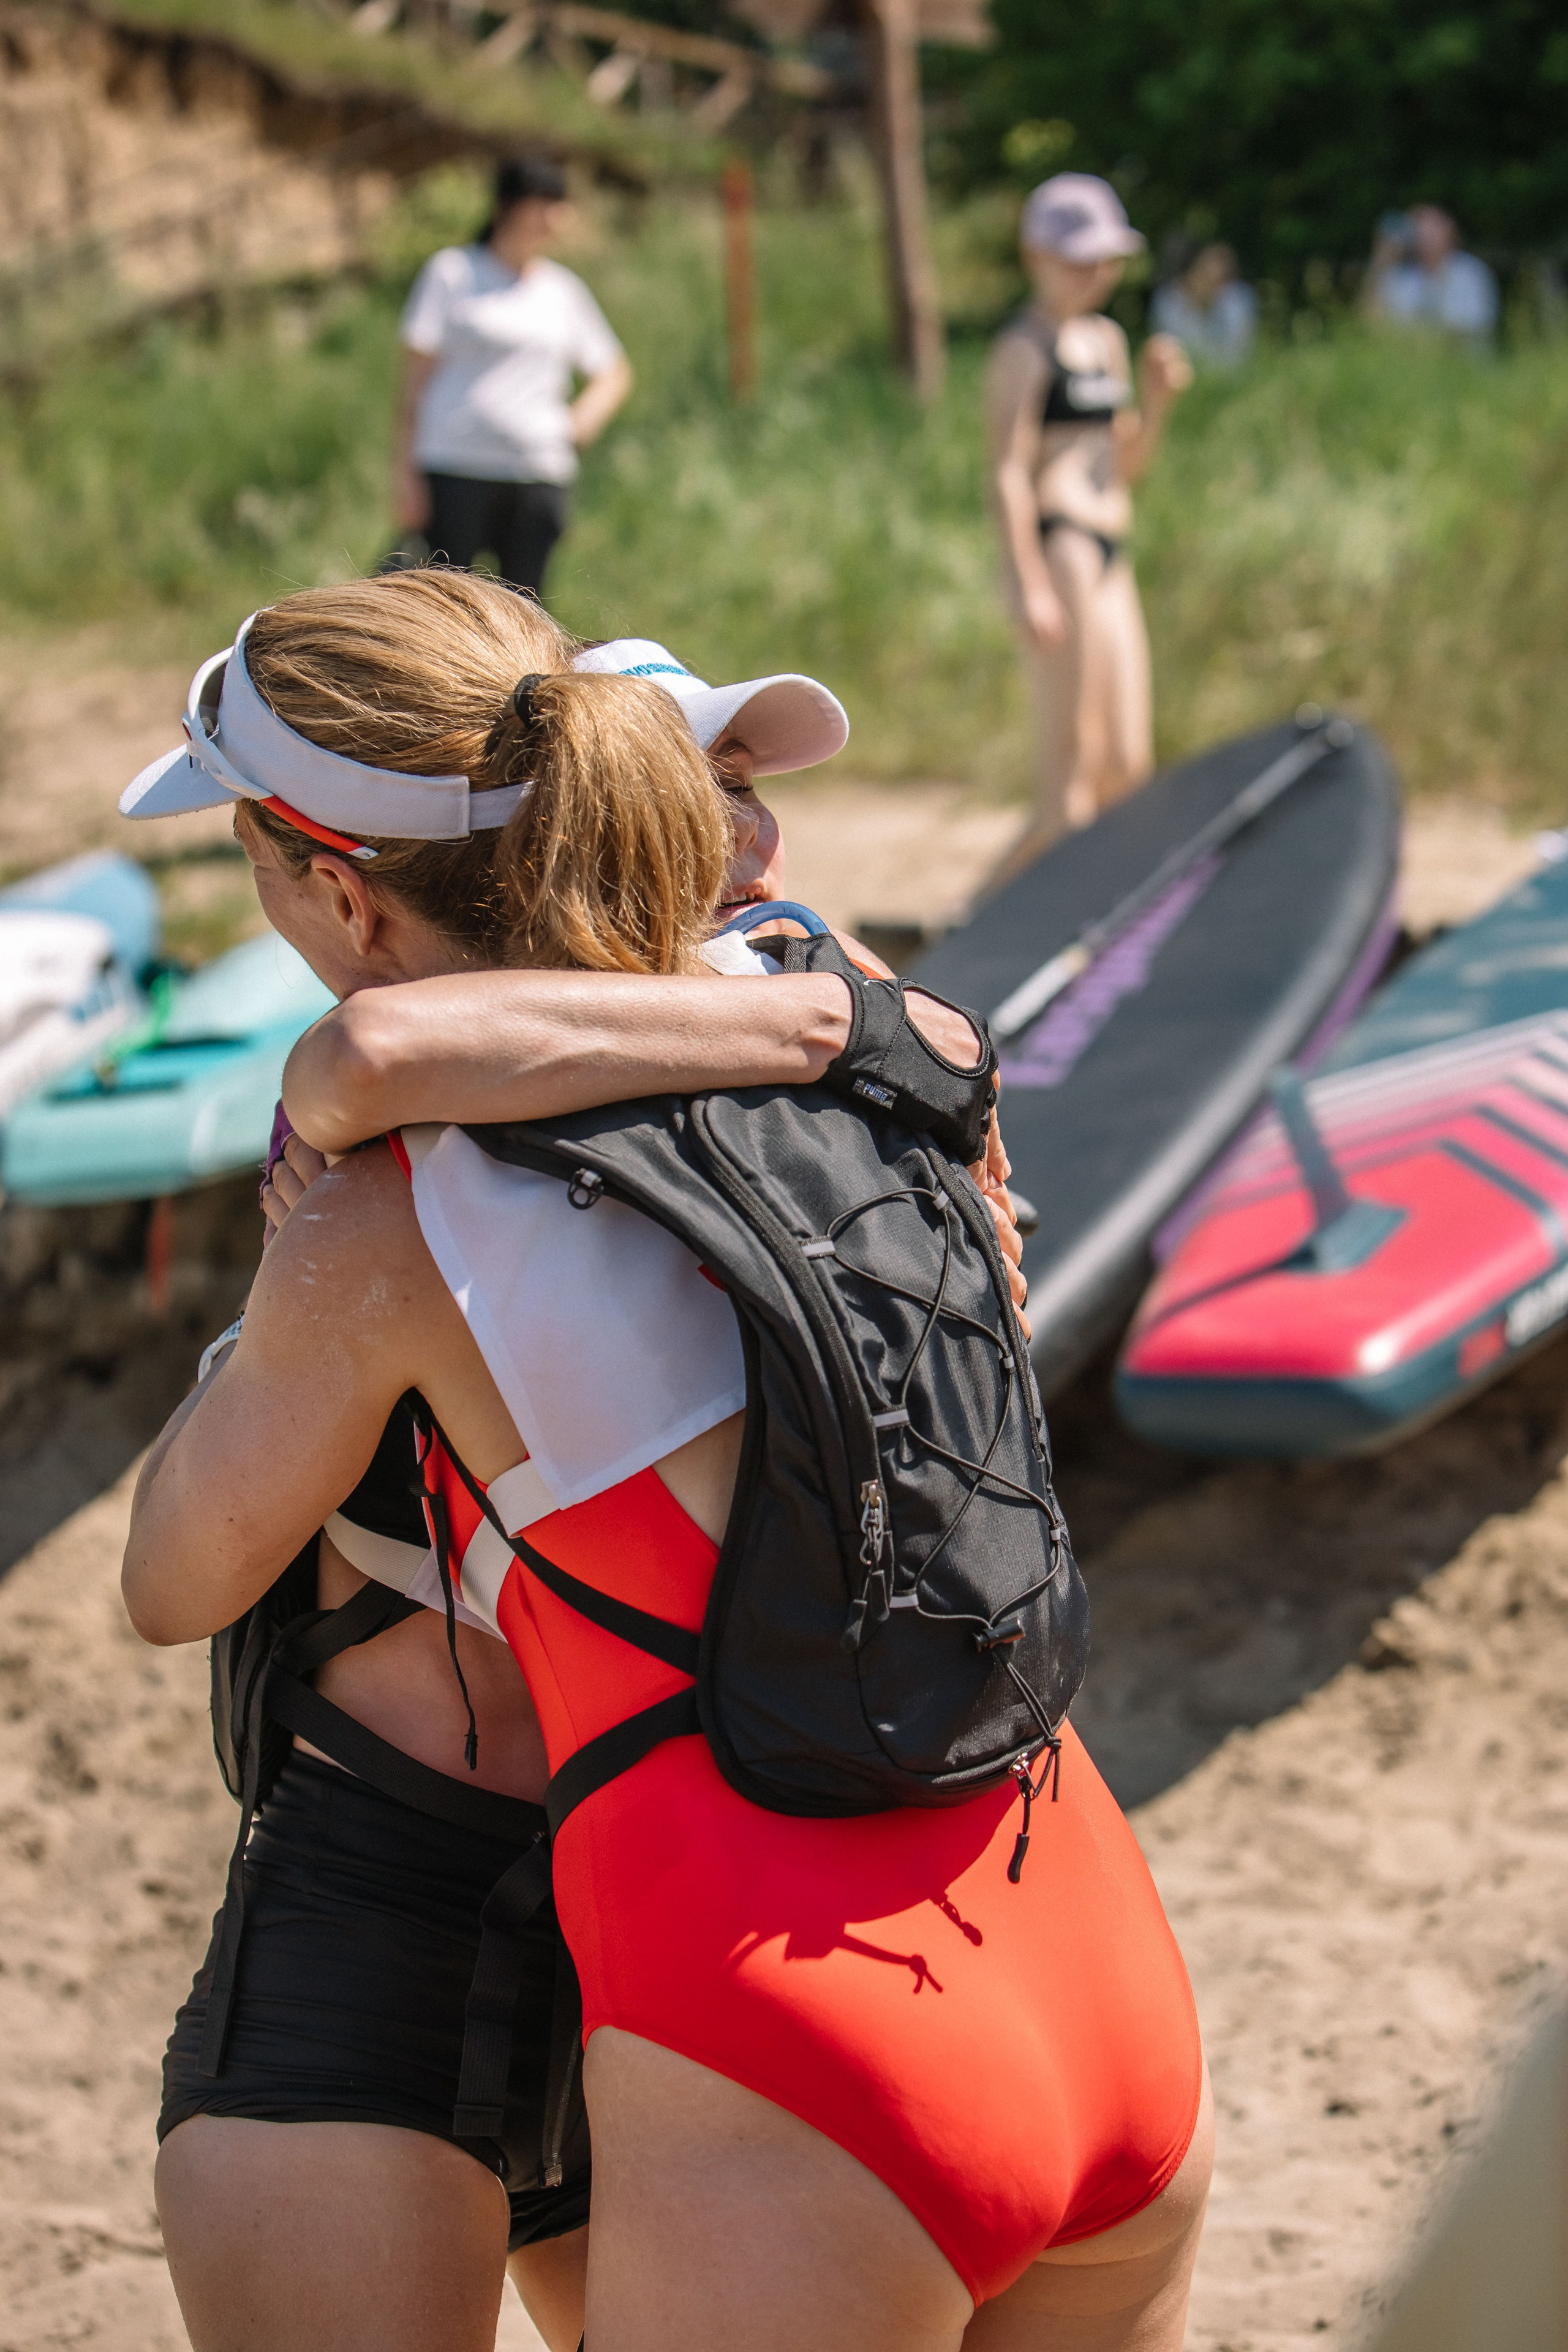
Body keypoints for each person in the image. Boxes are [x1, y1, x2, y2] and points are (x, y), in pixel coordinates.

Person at [123, 570, 1212, 2352]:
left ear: (337, 888)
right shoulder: (846, 1012)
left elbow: (172, 1575)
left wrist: (278, 1297)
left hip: (798, 2025)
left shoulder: (397, 1219)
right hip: (1077, 1931)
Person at [988, 173, 1193, 853]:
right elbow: (1010, 471)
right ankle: (976, 933)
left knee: (1126, 767)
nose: (1093, 274)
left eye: (1104, 259)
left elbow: (1123, 464)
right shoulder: (1023, 349)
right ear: (1035, 257)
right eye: (1077, 260)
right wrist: (1027, 580)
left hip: (1112, 547)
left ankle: (1077, 931)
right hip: (1063, 547)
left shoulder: (1105, 341)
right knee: (1068, 787)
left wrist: (1158, 401)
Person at [391, 155, 632, 597]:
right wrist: (405, 476)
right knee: (444, 606)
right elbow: (414, 383)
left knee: (526, 608)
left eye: (560, 205)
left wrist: (578, 424)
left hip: (536, 473)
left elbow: (613, 371)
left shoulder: (563, 290)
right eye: (544, 203)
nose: (555, 218)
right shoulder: (453, 273)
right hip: (455, 466)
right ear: (508, 207)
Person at [1364, 204, 1498, 344]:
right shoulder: (1404, 277)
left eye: (1432, 229)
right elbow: (1372, 323)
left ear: (1451, 234)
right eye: (1418, 230)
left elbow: (1472, 327)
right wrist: (1382, 261)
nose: (1425, 236)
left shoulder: (1472, 274)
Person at [1150, 241, 1257, 369]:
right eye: (1205, 272)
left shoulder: (1239, 301)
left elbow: (1235, 357)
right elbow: (1175, 356)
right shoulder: (1167, 302)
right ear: (1189, 272)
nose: (1213, 280)